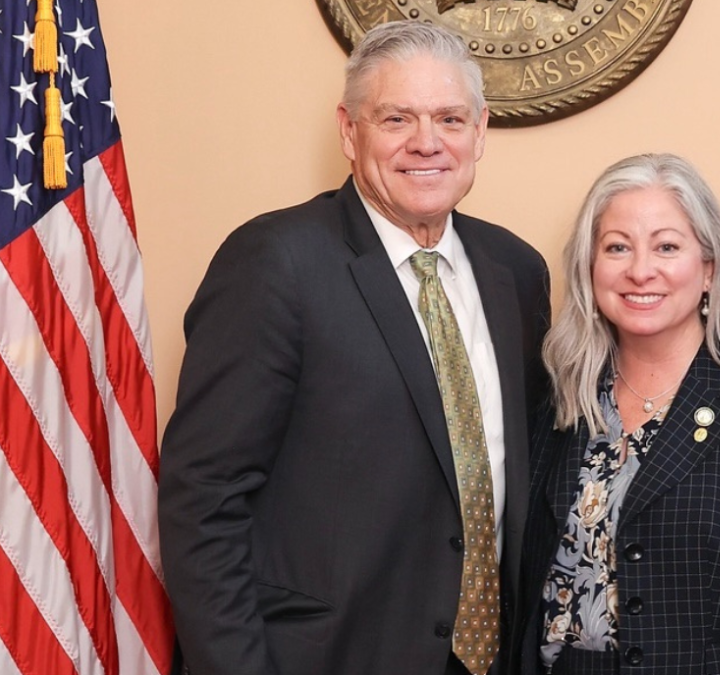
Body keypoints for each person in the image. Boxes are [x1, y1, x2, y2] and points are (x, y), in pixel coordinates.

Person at [158, 21, 551, 675]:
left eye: (450, 119)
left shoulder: (516, 270)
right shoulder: (276, 262)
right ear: (349, 130)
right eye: (397, 118)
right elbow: (203, 498)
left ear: (479, 131)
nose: (427, 143)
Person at [517, 153, 720, 675]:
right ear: (590, 266)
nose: (640, 270)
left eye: (667, 246)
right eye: (617, 247)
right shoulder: (561, 399)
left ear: (709, 268)